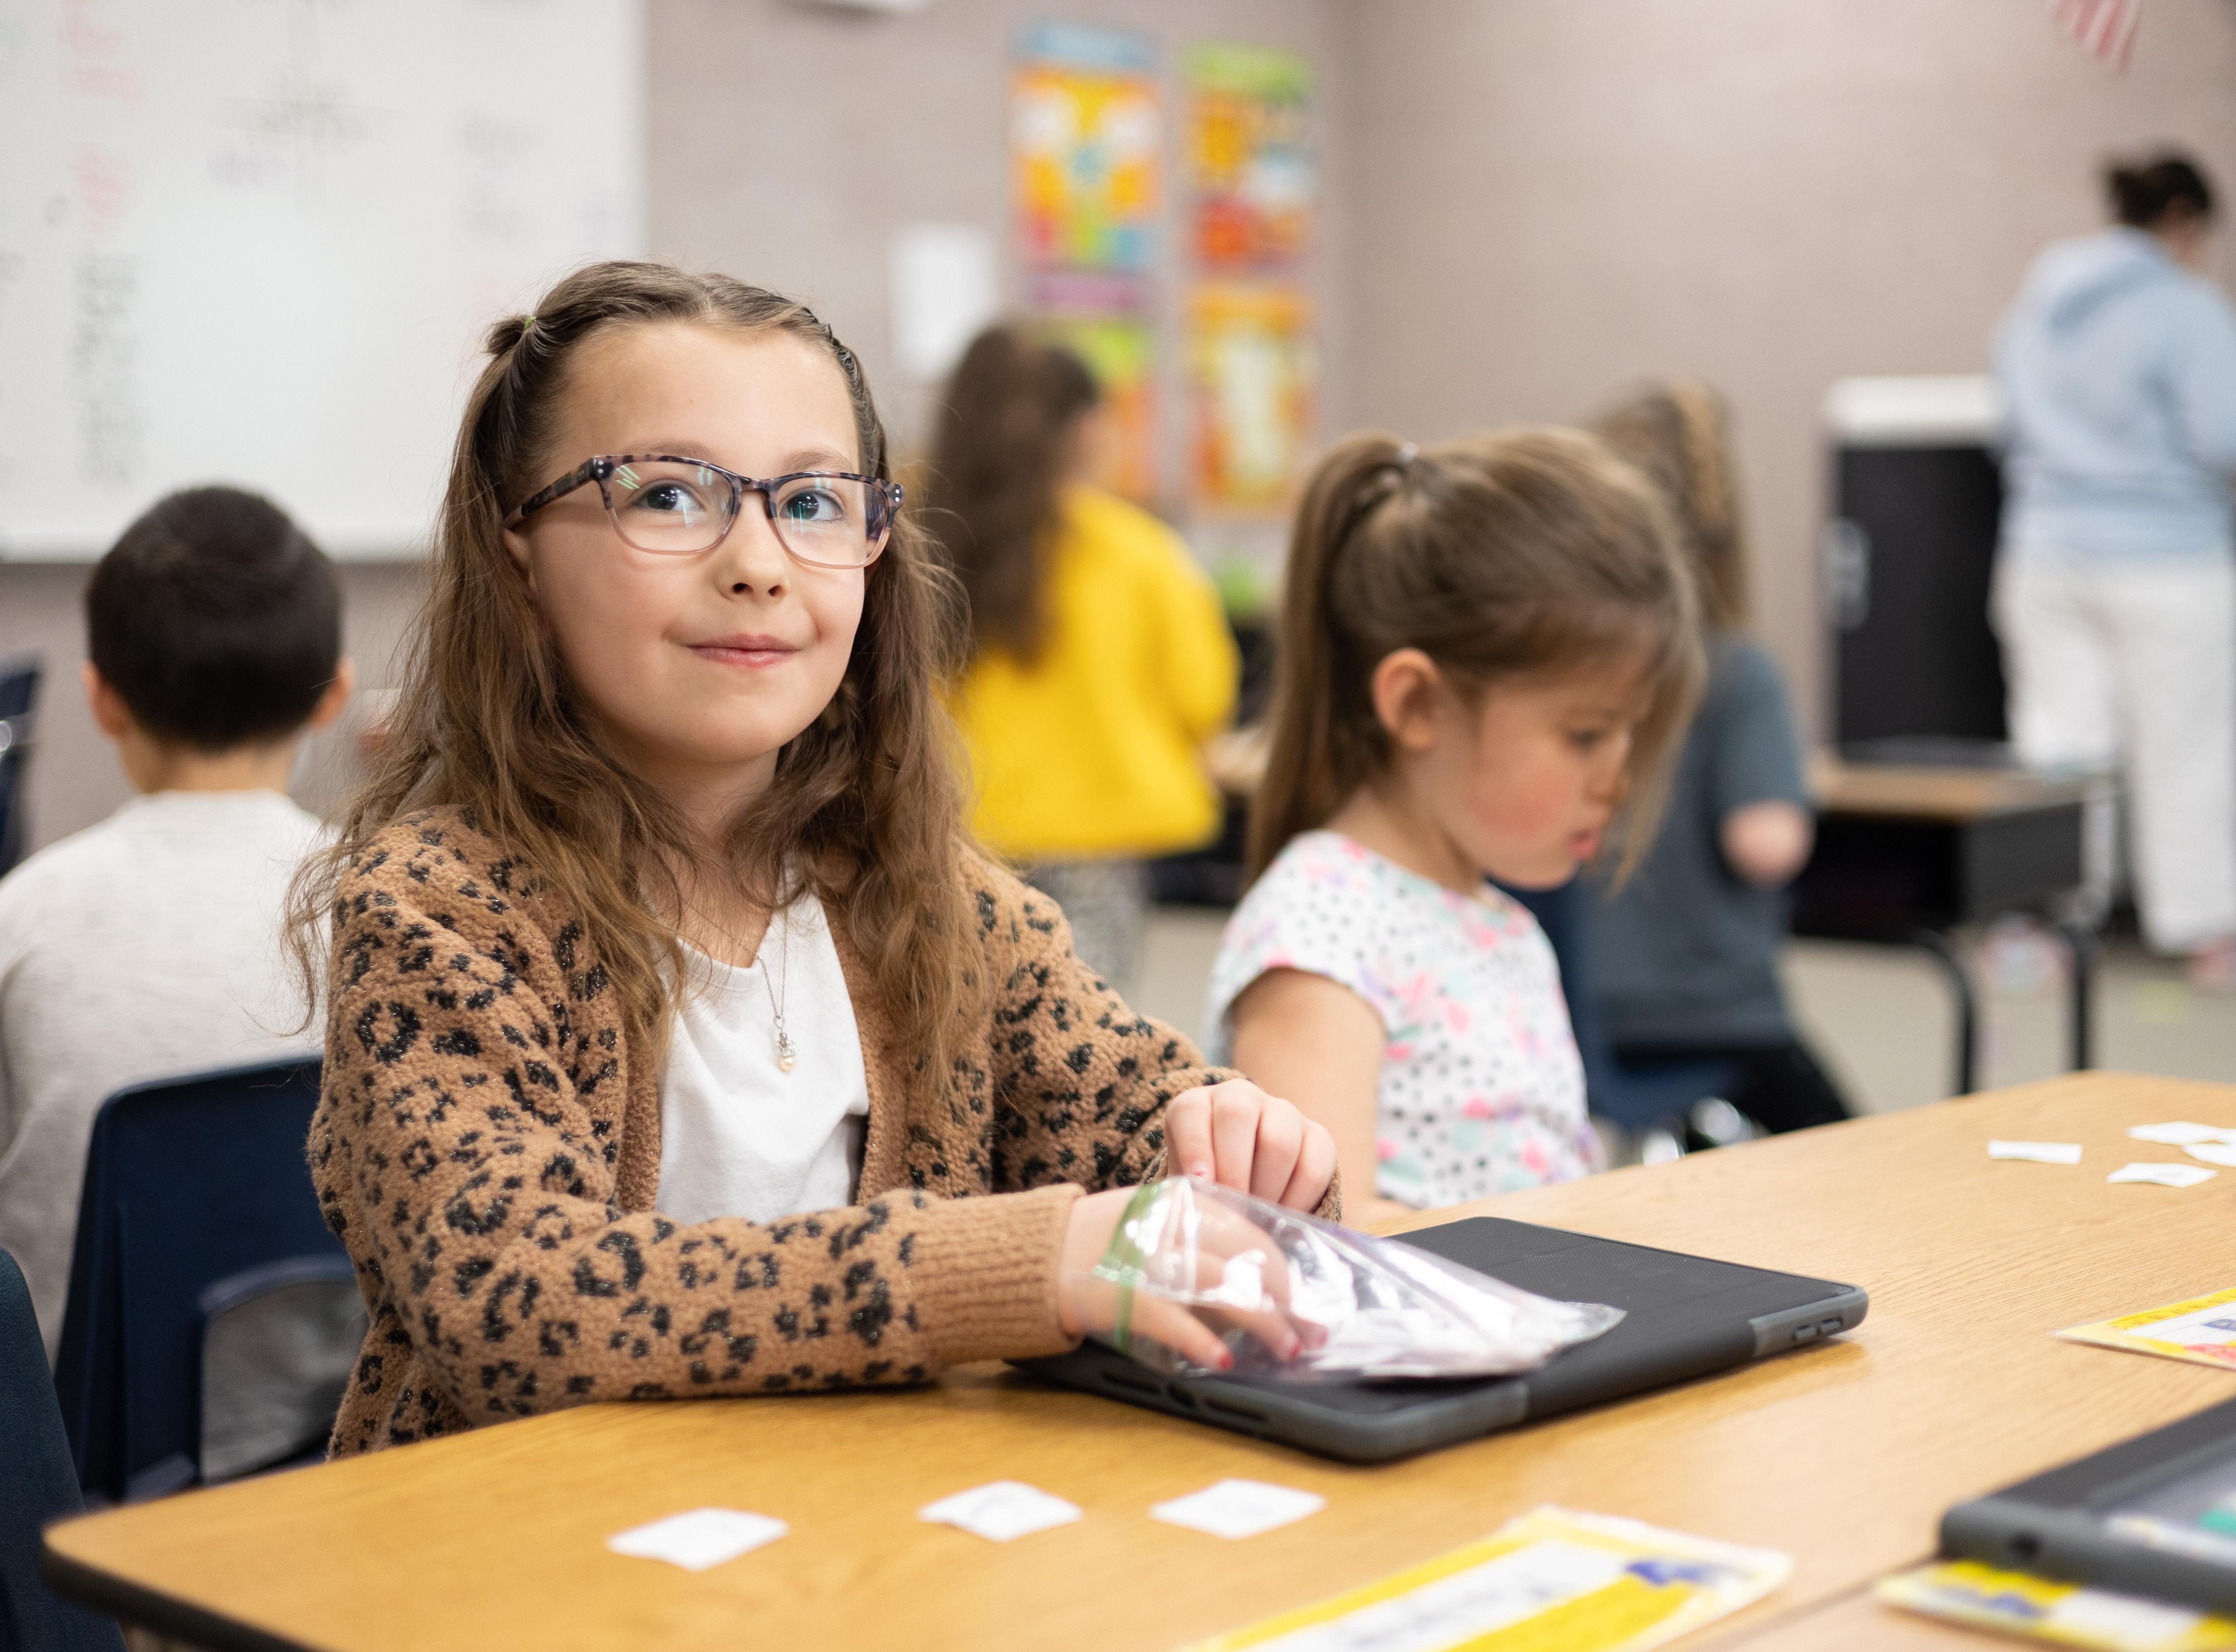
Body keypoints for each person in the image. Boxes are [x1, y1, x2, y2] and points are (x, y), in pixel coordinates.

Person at [288, 263, 1334, 1455]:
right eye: (671, 496)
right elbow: (519, 1308)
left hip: (855, 1557)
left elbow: (1140, 1139)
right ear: (516, 541)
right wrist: (1026, 1264)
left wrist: (1245, 1162)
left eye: (815, 502)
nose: (760, 562)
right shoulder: (439, 908)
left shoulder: (934, 900)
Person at [1204, 429, 1705, 1225]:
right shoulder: (1319, 933)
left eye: (1629, 735)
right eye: (1585, 734)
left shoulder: (1500, 921)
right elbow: (1321, 1235)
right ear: (1417, 704)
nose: (1620, 776)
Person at [0, 487, 352, 1354]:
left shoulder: (21, 916)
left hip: (74, 1458)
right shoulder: (403, 904)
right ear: (332, 697)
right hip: (344, 1437)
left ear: (102, 699)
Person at [1991, 153, 2236, 985]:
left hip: (2044, 551)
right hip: (2172, 558)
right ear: (2184, 222)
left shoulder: (2036, 307)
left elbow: (2004, 426)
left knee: (2059, 746)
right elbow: (2235, 440)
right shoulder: (2188, 310)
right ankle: (2207, 938)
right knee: (2186, 746)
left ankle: (2044, 931)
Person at [1562, 381, 1852, 1155]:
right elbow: (1765, 844)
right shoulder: (1736, 672)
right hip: (1713, 1014)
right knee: (1865, 1160)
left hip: (1575, 1018)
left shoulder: (1559, 684)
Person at [932, 325, 1238, 989]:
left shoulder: (914, 549)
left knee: (957, 1027)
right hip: (1102, 838)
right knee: (1079, 1035)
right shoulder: (1143, 554)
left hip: (953, 835)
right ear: (1090, 428)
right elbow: (1202, 697)